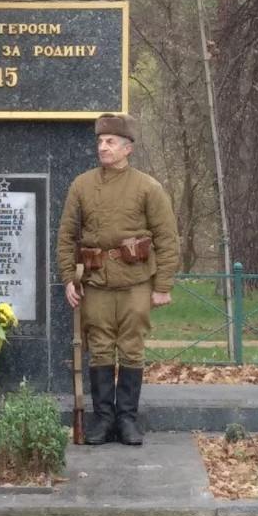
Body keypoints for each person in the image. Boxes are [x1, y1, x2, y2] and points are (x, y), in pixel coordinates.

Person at [57, 113, 179, 446]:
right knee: (99, 349)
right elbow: (67, 236)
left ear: (127, 148)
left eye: (110, 142)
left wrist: (163, 285)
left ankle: (127, 419)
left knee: (131, 349)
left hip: (135, 283)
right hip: (95, 282)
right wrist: (69, 278)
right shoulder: (82, 185)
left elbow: (167, 238)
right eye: (100, 141)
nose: (103, 147)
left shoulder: (147, 188)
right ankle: (103, 419)